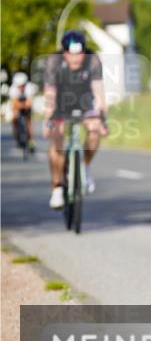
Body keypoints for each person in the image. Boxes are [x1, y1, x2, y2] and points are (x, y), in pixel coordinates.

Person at [42, 30, 108, 209]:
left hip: (84, 102)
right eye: (72, 54)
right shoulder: (53, 62)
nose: (76, 59)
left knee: (94, 132)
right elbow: (50, 94)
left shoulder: (92, 60)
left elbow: (99, 93)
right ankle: (56, 186)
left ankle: (84, 166)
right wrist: (48, 119)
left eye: (80, 54)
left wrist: (103, 119)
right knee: (57, 138)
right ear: (64, 53)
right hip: (61, 104)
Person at [9, 71, 38, 152]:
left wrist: (24, 106)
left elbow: (29, 103)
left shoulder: (29, 88)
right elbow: (14, 104)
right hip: (18, 104)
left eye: (23, 86)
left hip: (26, 105)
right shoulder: (13, 90)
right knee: (14, 118)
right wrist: (19, 107)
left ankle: (31, 140)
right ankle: (17, 136)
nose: (21, 88)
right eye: (19, 86)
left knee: (29, 121)